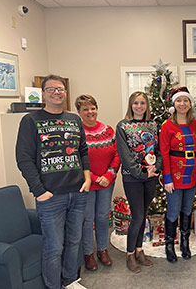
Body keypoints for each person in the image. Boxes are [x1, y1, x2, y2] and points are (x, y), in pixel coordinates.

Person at [16, 74, 90, 289]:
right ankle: (53, 286)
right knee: (54, 247)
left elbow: (83, 151)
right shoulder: (30, 120)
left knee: (73, 242)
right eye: (52, 89)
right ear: (43, 94)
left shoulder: (74, 119)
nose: (57, 92)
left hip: (78, 193)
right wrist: (39, 190)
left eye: (61, 89)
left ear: (65, 93)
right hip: (50, 197)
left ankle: (69, 281)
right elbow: (24, 158)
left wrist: (87, 178)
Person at [116, 91, 162, 273]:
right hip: (133, 177)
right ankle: (129, 254)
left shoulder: (152, 125)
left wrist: (155, 168)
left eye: (142, 103)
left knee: (143, 215)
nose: (139, 106)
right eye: (136, 103)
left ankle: (139, 250)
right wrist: (142, 173)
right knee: (137, 216)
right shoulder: (123, 126)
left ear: (146, 105)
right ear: (131, 105)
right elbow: (125, 155)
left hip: (150, 177)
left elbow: (158, 150)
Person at [75, 95, 120, 271]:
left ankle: (102, 250)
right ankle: (88, 253)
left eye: (92, 108)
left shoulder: (108, 130)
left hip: (106, 183)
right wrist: (93, 178)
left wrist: (109, 175)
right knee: (87, 220)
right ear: (79, 112)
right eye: (85, 109)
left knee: (103, 217)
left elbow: (117, 155)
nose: (90, 112)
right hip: (86, 183)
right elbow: (76, 159)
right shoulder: (77, 133)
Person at [159, 86, 196, 262]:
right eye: (179, 100)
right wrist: (167, 178)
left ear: (190, 104)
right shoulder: (167, 126)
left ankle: (184, 243)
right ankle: (169, 245)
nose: (182, 103)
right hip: (174, 177)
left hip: (191, 175)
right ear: (174, 104)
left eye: (185, 100)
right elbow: (164, 153)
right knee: (173, 211)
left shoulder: (195, 124)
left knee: (186, 210)